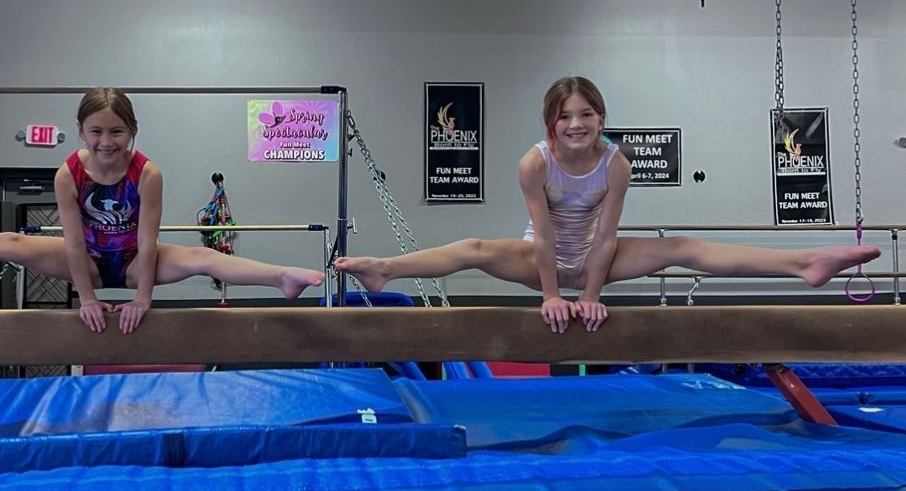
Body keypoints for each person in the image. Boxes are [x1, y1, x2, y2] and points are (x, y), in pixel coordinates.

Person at [335, 76, 880, 334]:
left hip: (602, 256)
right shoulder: (535, 164)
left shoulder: (615, 163)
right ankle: (385, 268)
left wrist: (591, 293)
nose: (576, 124)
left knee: (681, 247)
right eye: (566, 116)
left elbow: (607, 236)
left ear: (601, 118)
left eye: (587, 115)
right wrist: (552, 295)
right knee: (476, 248)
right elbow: (544, 237)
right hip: (540, 258)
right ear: (551, 122)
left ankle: (804, 263)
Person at [0, 87, 324, 333]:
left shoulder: (147, 173)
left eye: (117, 132)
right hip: (86, 258)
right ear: (81, 130)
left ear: (132, 131)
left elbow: (149, 241)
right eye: (96, 132)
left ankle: (280, 276)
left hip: (136, 260)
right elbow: (72, 242)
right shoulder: (69, 173)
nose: (107, 141)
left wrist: (141, 301)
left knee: (201, 257)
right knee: (7, 242)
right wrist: (89, 298)